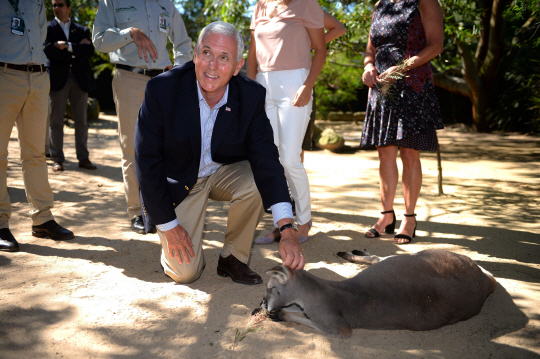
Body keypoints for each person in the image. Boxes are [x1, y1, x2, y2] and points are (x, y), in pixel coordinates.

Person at [135, 22, 305, 285]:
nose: (212, 65)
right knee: (186, 273)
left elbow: (267, 160)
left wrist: (287, 229)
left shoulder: (251, 96)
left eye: (224, 57)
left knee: (257, 181)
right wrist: (169, 227)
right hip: (180, 181)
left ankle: (233, 258)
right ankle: (177, 246)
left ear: (238, 66)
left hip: (221, 172)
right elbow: (147, 164)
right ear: (194, 55)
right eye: (206, 53)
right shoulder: (162, 89)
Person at [92, 0, 192, 234]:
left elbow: (183, 43)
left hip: (163, 82)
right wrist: (130, 33)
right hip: (130, 79)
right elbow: (99, 40)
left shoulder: (166, 3)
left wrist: (179, 70)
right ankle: (137, 211)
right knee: (133, 149)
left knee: (168, 147)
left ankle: (166, 207)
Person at [361, 0, 444, 244]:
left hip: (412, 84)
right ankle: (386, 216)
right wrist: (367, 66)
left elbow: (436, 46)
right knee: (384, 153)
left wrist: (400, 69)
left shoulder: (425, 2)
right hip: (382, 88)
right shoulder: (380, 4)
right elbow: (371, 49)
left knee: (410, 154)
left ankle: (409, 217)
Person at [247, 0, 326, 244]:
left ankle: (304, 221)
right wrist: (251, 91)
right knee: (271, 160)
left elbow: (321, 50)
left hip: (295, 83)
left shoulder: (307, 4)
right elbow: (252, 54)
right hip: (263, 83)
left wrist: (307, 85)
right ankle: (282, 224)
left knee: (290, 158)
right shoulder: (260, 5)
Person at [0, 0, 75, 252]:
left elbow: (40, 35)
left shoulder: (36, 2)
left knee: (35, 153)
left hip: (38, 76)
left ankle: (42, 219)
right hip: (4, 75)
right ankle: (0, 223)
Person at [44, 0, 97, 173]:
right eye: (54, 5)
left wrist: (65, 46)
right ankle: (57, 159)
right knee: (56, 122)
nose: (56, 8)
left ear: (68, 7)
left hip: (79, 80)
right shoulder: (47, 28)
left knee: (81, 121)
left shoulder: (82, 30)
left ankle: (83, 158)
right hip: (58, 81)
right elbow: (47, 51)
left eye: (60, 5)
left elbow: (89, 51)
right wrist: (76, 49)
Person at [301, 12, 346, 160]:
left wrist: (310, 44)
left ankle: (292, 184)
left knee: (296, 148)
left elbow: (339, 28)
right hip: (268, 81)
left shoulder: (305, 5)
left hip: (300, 82)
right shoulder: (264, 6)